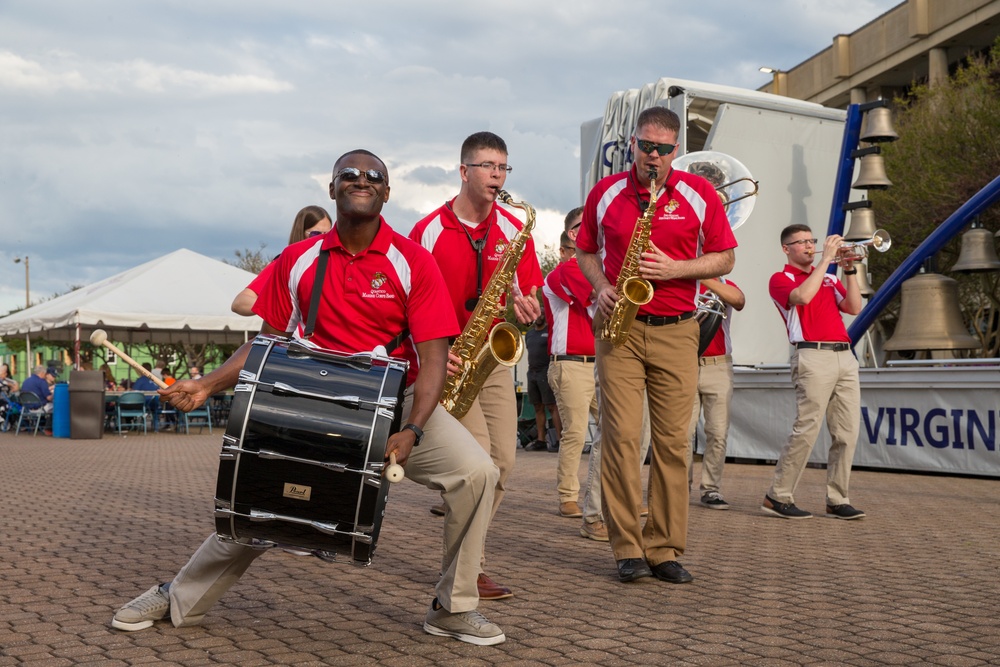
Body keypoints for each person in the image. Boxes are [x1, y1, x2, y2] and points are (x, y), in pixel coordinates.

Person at [110, 149, 505, 646]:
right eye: (350, 175)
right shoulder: (298, 260)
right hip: (312, 406)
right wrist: (207, 384)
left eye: (373, 176)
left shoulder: (413, 262)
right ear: (333, 188)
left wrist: (413, 430)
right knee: (262, 505)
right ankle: (178, 596)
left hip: (397, 405)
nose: (361, 180)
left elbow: (431, 360)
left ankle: (453, 608)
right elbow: (265, 343)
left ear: (387, 191)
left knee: (477, 473)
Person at [576, 106, 736, 584]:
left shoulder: (699, 192)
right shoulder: (605, 193)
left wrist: (677, 269)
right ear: (633, 144)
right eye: (647, 146)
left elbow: (725, 257)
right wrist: (601, 284)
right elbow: (585, 250)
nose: (655, 157)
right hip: (619, 330)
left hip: (679, 329)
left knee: (673, 443)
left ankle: (663, 547)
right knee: (622, 439)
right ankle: (626, 546)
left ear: (677, 151)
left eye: (665, 150)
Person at [409, 131, 543, 601]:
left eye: (503, 167)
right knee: (480, 460)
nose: (497, 175)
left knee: (504, 460)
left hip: (493, 357)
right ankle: (467, 571)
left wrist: (527, 308)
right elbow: (411, 303)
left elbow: (530, 293)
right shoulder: (427, 230)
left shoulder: (513, 227)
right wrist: (434, 355)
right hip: (449, 358)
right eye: (487, 166)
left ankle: (467, 557)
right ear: (463, 171)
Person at [762, 225, 865, 521]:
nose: (809, 245)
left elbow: (854, 307)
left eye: (812, 240)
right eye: (802, 242)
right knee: (806, 428)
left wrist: (849, 270)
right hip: (812, 354)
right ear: (786, 249)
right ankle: (778, 495)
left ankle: (838, 498)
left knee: (847, 432)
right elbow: (803, 297)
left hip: (844, 355)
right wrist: (826, 260)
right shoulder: (780, 278)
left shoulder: (831, 278)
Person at [542, 226, 600, 520]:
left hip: (598, 362)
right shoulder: (563, 271)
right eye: (573, 251)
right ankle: (568, 496)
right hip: (571, 363)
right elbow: (595, 292)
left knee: (618, 432)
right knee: (576, 432)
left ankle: (607, 498)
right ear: (564, 252)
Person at [687, 277, 745, 510]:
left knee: (718, 432)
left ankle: (711, 489)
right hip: (683, 363)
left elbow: (739, 301)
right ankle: (679, 488)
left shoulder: (725, 283)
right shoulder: (682, 282)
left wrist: (706, 278)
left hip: (718, 364)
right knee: (682, 433)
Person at [231, 206, 333, 316]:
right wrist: (281, 307)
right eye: (315, 234)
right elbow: (240, 303)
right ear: (301, 232)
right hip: (296, 332)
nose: (321, 239)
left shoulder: (337, 263)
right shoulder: (286, 263)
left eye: (327, 235)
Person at [522, 313, 561, 452]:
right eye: (537, 315)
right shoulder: (529, 334)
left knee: (552, 406)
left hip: (545, 371)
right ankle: (541, 440)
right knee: (537, 407)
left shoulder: (549, 331)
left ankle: (558, 441)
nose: (539, 317)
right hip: (531, 372)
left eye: (542, 314)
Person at [20, 365, 55, 435]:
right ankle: (48, 428)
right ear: (42, 373)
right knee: (57, 407)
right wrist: (55, 394)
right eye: (45, 374)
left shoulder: (26, 381)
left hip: (27, 408)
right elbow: (49, 397)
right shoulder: (42, 382)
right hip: (39, 407)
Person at [132, 362, 162, 432]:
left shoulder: (141, 380)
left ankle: (134, 426)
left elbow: (134, 391)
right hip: (156, 403)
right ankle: (156, 428)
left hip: (144, 403)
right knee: (155, 411)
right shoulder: (155, 379)